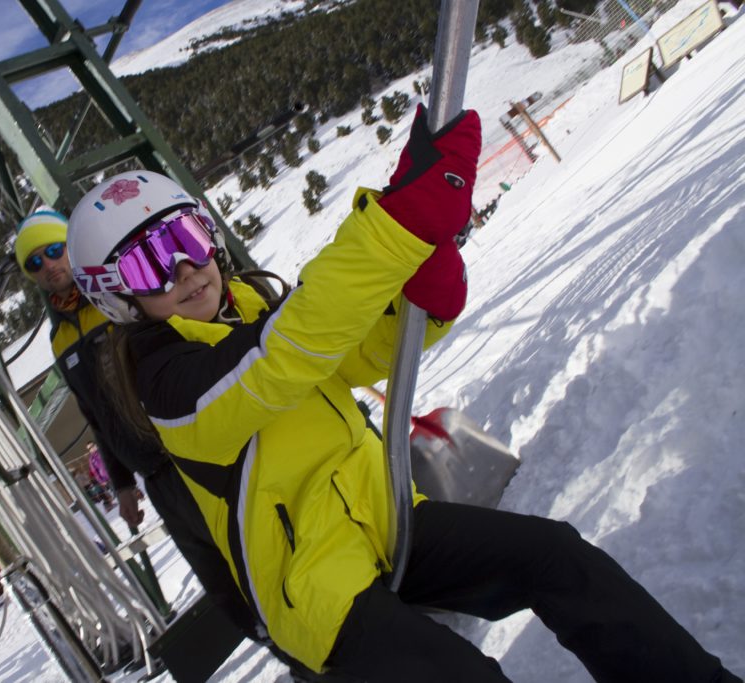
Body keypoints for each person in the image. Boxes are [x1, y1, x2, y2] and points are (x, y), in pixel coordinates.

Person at [65, 107, 742, 682]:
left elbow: (350, 351)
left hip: (388, 520)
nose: (185, 268)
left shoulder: (252, 307)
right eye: (150, 261)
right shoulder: (167, 388)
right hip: (320, 589)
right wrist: (398, 224)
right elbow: (280, 357)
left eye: (186, 237)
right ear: (116, 295)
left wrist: (417, 293)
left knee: (557, 556)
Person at [13, 207, 259, 637]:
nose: (49, 265)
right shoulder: (60, 339)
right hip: (155, 476)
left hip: (191, 451)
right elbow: (96, 415)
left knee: (253, 554)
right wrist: (122, 483)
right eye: (35, 262)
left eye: (54, 251)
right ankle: (279, 649)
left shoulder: (122, 300)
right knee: (218, 579)